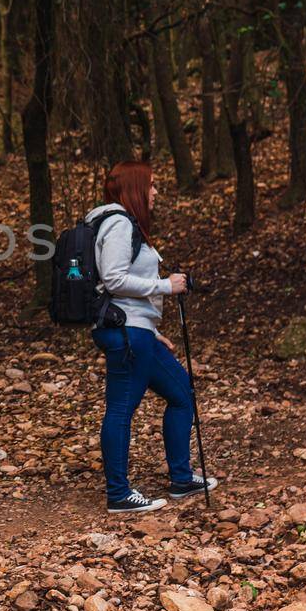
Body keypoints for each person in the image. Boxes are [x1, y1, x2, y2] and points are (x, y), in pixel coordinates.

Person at [86, 160, 217, 514]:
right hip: (125, 333)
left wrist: (153, 331)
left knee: (181, 392)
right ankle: (118, 494)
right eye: (152, 185)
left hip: (138, 332)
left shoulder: (127, 225)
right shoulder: (117, 224)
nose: (156, 192)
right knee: (121, 409)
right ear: (134, 188)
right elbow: (113, 280)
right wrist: (166, 285)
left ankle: (182, 478)